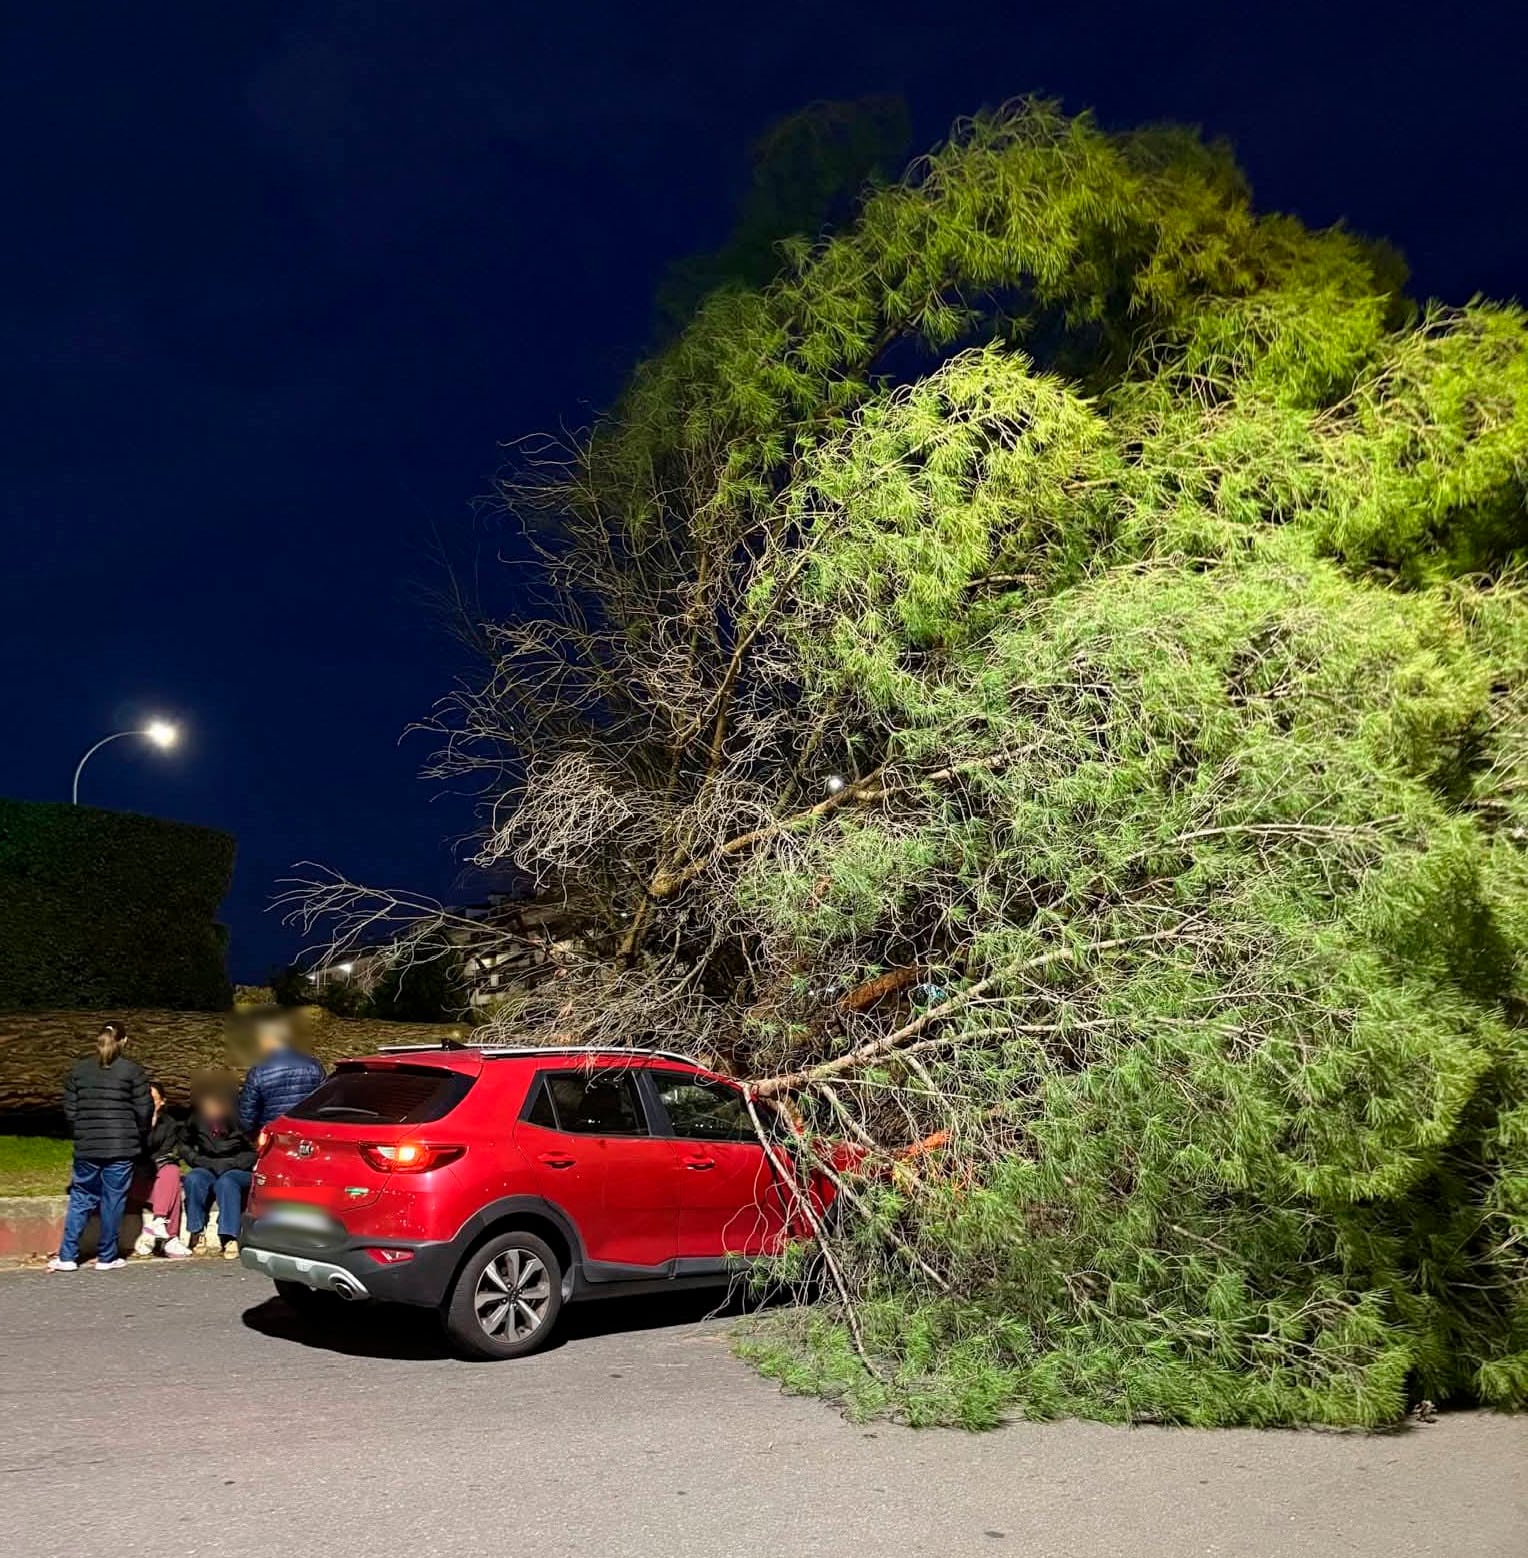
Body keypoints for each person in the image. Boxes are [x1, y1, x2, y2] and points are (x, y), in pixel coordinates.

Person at [49, 1022, 151, 1273]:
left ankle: (67, 1256)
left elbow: (71, 1111)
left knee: (81, 1198)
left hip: (87, 1145)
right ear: (124, 1041)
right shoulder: (132, 1071)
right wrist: (138, 1132)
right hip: (121, 1144)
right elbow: (144, 1109)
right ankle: (107, 1256)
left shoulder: (78, 1070)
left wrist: (83, 1131)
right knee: (113, 1200)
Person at [181, 1085, 256, 1259]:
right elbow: (183, 1144)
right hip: (207, 1165)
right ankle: (197, 1231)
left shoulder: (240, 1122)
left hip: (236, 1168)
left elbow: (254, 1151)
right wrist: (196, 1160)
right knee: (193, 1179)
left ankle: (230, 1236)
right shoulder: (196, 1120)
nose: (211, 1111)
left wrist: (234, 1163)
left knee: (226, 1183)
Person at [237, 1015, 324, 1134]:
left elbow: (247, 1121)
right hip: (307, 1136)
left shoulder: (258, 1072)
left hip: (273, 1137)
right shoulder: (315, 1066)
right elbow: (325, 1105)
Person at [132, 1083, 191, 1259]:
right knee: (172, 1191)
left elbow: (165, 1151)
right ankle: (171, 1238)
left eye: (154, 1099)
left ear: (162, 1102)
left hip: (157, 1173)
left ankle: (159, 1221)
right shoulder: (131, 1123)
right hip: (136, 1176)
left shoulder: (169, 1124)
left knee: (172, 1171)